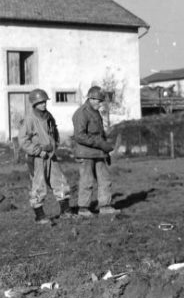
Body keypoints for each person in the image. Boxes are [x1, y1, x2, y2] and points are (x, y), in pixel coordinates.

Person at [18, 89, 72, 224]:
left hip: (50, 155)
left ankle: (65, 211)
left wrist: (55, 146)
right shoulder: (29, 119)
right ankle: (40, 216)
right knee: (38, 185)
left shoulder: (48, 116)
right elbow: (23, 140)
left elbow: (54, 132)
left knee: (60, 181)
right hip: (37, 157)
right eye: (40, 102)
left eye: (44, 101)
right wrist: (37, 151)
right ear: (34, 104)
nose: (43, 104)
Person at [72, 86, 119, 217]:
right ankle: (83, 208)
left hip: (99, 153)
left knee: (105, 179)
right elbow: (79, 136)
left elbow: (100, 134)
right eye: (99, 101)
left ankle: (105, 206)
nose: (101, 103)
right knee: (87, 181)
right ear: (91, 99)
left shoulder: (95, 112)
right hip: (86, 154)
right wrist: (101, 144)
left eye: (101, 101)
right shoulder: (81, 113)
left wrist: (106, 151)